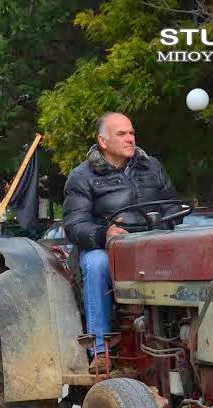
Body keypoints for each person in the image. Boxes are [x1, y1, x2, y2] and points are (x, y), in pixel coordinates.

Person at [63, 112, 181, 369]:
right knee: (97, 265)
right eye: (122, 134)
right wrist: (104, 234)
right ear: (103, 141)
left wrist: (167, 223)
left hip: (152, 241)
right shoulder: (82, 176)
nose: (130, 139)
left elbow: (172, 206)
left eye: (131, 133)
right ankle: (100, 347)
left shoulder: (151, 166)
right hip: (107, 248)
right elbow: (74, 225)